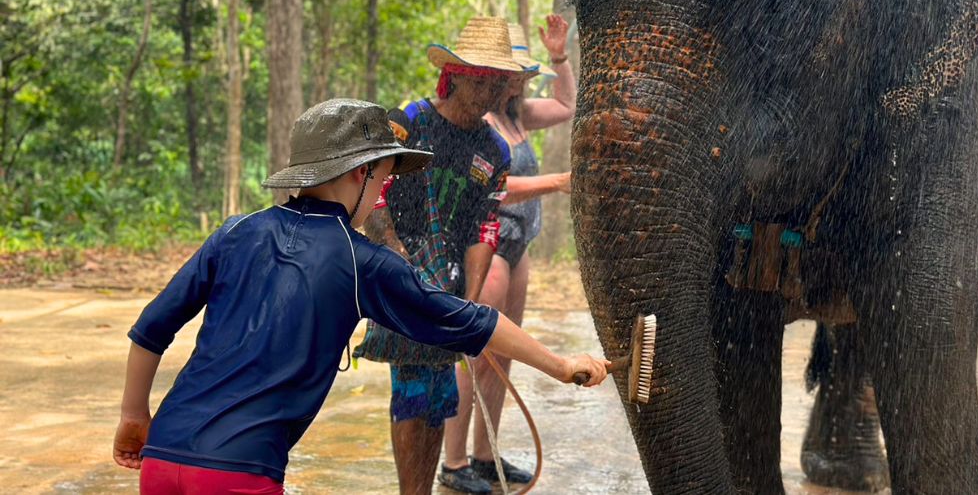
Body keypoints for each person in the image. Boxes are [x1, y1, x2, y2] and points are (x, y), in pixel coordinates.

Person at [112, 98, 608, 494]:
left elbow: (151, 328)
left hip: (163, 458)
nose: (382, 193)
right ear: (357, 174)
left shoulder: (235, 231)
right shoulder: (362, 262)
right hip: (242, 471)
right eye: (384, 178)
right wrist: (561, 365)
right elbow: (474, 321)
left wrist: (135, 417)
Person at [362, 16, 529, 494]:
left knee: (438, 395)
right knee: (413, 390)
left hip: (450, 282)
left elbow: (485, 224)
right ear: (455, 75)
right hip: (396, 273)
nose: (490, 93)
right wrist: (394, 256)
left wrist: (470, 301)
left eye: (498, 82)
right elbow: (370, 188)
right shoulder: (408, 123)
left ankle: (423, 487)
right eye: (480, 79)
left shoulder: (494, 151)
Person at [440, 15, 576, 489]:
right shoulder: (477, 119)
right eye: (512, 73)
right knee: (476, 352)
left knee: (504, 354)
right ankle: (453, 462)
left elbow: (567, 104)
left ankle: (484, 454)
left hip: (520, 245)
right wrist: (557, 182)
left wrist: (560, 56)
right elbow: (496, 188)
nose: (519, 80)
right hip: (488, 245)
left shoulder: (519, 115)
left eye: (523, 73)